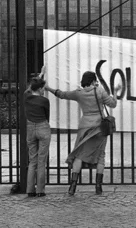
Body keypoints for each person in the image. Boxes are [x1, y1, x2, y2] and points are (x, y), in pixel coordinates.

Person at [45, 71, 121, 195]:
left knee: (79, 155)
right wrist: (116, 92)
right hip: (100, 127)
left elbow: (62, 94)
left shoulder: (78, 93)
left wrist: (48, 88)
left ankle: (72, 186)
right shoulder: (100, 91)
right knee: (101, 155)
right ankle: (98, 187)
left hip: (84, 127)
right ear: (93, 81)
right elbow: (113, 104)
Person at [24, 66, 51, 197]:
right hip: (43, 127)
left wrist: (40, 75)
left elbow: (30, 88)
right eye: (43, 88)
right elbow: (47, 116)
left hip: (30, 128)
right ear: (40, 89)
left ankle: (30, 190)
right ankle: (40, 190)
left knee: (32, 160)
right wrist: (42, 75)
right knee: (41, 161)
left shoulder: (26, 97)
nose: (44, 90)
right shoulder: (44, 101)